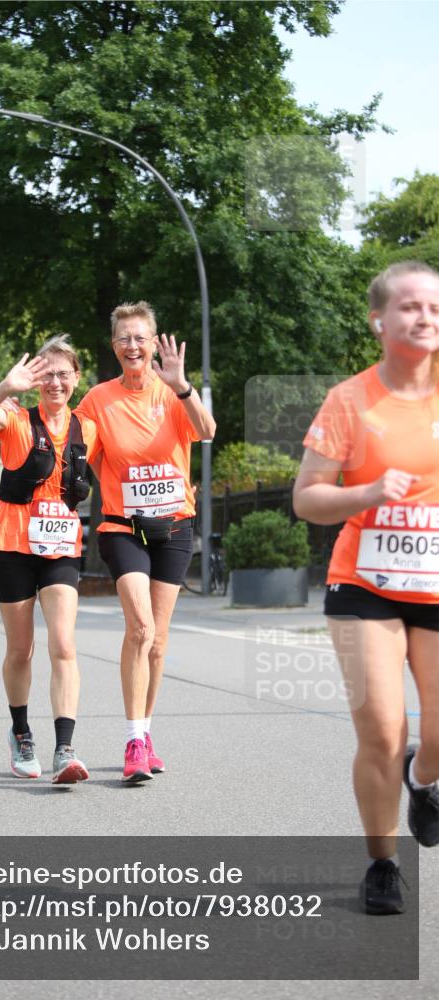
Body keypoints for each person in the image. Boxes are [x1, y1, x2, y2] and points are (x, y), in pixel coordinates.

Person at [293, 261, 439, 914]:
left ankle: (423, 777)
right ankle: (382, 863)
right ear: (379, 321)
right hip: (363, 583)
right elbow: (306, 498)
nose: (424, 317)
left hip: (434, 582)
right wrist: (367, 492)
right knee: (381, 729)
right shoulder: (349, 400)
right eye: (409, 307)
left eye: (433, 307)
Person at [75, 302, 216, 782]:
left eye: (140, 337)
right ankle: (134, 739)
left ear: (154, 343)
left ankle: (146, 730)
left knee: (158, 641)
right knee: (139, 629)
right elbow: (74, 451)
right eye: (123, 339)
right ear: (113, 346)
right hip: (122, 525)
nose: (132, 346)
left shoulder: (174, 391)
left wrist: (183, 387)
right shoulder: (97, 399)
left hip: (174, 526)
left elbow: (206, 431)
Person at [0, 336, 97, 784]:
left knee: (64, 645)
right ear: (36, 379)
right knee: (21, 650)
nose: (55, 382)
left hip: (60, 548)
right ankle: (21, 733)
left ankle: (65, 747)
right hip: (12, 546)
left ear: (77, 378)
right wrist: (5, 387)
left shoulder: (89, 427)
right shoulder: (17, 419)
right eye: (47, 374)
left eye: (64, 373)